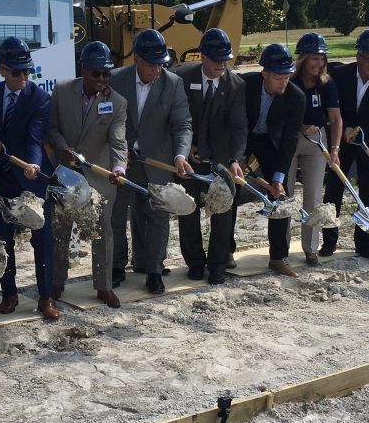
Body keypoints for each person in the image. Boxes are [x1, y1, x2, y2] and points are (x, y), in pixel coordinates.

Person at [109, 29, 193, 294]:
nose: (157, 70)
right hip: (123, 161)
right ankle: (117, 266)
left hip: (158, 159)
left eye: (161, 64)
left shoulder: (173, 83)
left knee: (158, 216)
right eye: (152, 65)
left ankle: (154, 270)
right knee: (116, 215)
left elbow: (183, 124)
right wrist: (119, 150)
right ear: (137, 59)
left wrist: (180, 155)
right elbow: (106, 121)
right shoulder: (116, 80)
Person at [0, 37, 59, 320]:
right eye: (17, 72)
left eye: (27, 70)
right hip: (0, 179)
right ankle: (9, 294)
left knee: (43, 239)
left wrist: (33, 163)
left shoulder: (40, 98)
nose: (23, 76)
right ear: (2, 70)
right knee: (3, 239)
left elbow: (35, 137)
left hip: (32, 179)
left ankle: (46, 297)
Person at [46, 40, 128, 307]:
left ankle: (103, 286)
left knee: (102, 232)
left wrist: (118, 168)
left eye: (106, 74)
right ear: (84, 71)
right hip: (66, 174)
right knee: (60, 229)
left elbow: (118, 141)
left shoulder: (117, 102)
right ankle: (57, 281)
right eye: (96, 74)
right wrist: (62, 147)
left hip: (99, 176)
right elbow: (51, 128)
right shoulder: (62, 91)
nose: (102, 79)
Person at [174, 28, 247, 286]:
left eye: (226, 59)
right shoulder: (182, 78)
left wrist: (235, 159)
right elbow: (178, 118)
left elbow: (239, 127)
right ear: (203, 55)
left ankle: (218, 266)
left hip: (222, 158)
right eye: (217, 59)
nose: (222, 64)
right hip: (190, 159)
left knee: (222, 212)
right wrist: (187, 147)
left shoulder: (236, 85)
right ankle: (195, 263)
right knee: (188, 210)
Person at [320, 28, 369, 259]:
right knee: (333, 190)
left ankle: (363, 243)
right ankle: (329, 242)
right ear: (358, 56)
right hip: (341, 141)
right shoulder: (340, 75)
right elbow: (331, 107)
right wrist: (343, 128)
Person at [237, 44, 306, 277]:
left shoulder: (296, 97)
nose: (284, 83)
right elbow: (234, 123)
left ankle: (278, 257)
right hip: (243, 137)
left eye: (287, 77)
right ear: (264, 73)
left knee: (280, 196)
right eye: (278, 78)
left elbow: (289, 140)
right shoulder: (243, 85)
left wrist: (278, 177)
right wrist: (238, 158)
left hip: (272, 143)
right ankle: (224, 253)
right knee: (231, 188)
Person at [286, 33, 343, 265]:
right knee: (285, 195)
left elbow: (336, 119)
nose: (318, 64)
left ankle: (310, 248)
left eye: (322, 59)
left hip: (317, 140)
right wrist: (300, 126)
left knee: (313, 197)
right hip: (289, 139)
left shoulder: (327, 83)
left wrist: (335, 149)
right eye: (314, 58)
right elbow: (280, 116)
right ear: (303, 58)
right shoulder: (289, 80)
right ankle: (280, 250)